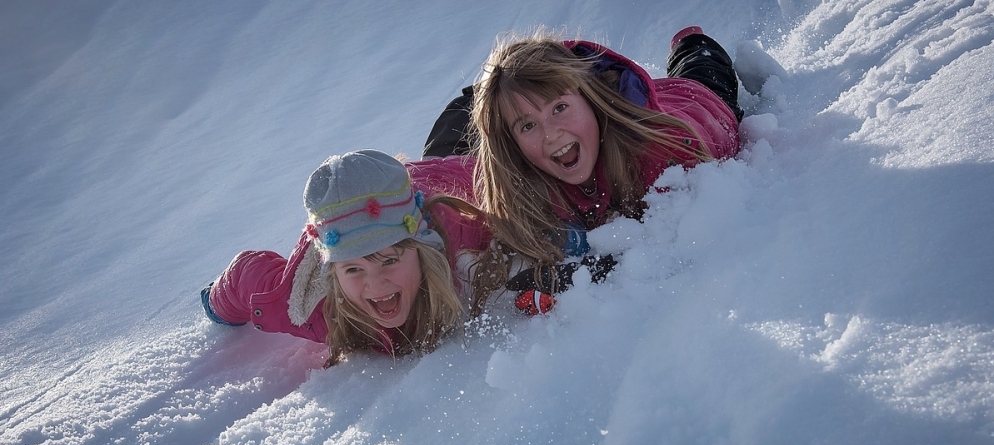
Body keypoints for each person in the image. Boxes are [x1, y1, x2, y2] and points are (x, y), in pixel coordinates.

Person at [444, 27, 743, 315]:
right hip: (645, 106)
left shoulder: (659, 153)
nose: (550, 134)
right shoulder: (527, 178)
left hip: (698, 102)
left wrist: (591, 271)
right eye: (528, 125)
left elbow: (670, 241)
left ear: (589, 97)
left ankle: (690, 41)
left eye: (559, 108)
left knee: (702, 66)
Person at [201, 150, 490, 365]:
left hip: (447, 175)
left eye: (389, 260)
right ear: (333, 273)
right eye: (353, 269)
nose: (375, 284)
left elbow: (496, 183)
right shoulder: (309, 305)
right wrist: (216, 305)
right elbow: (244, 275)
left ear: (421, 249)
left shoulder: (459, 230)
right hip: (364, 214)